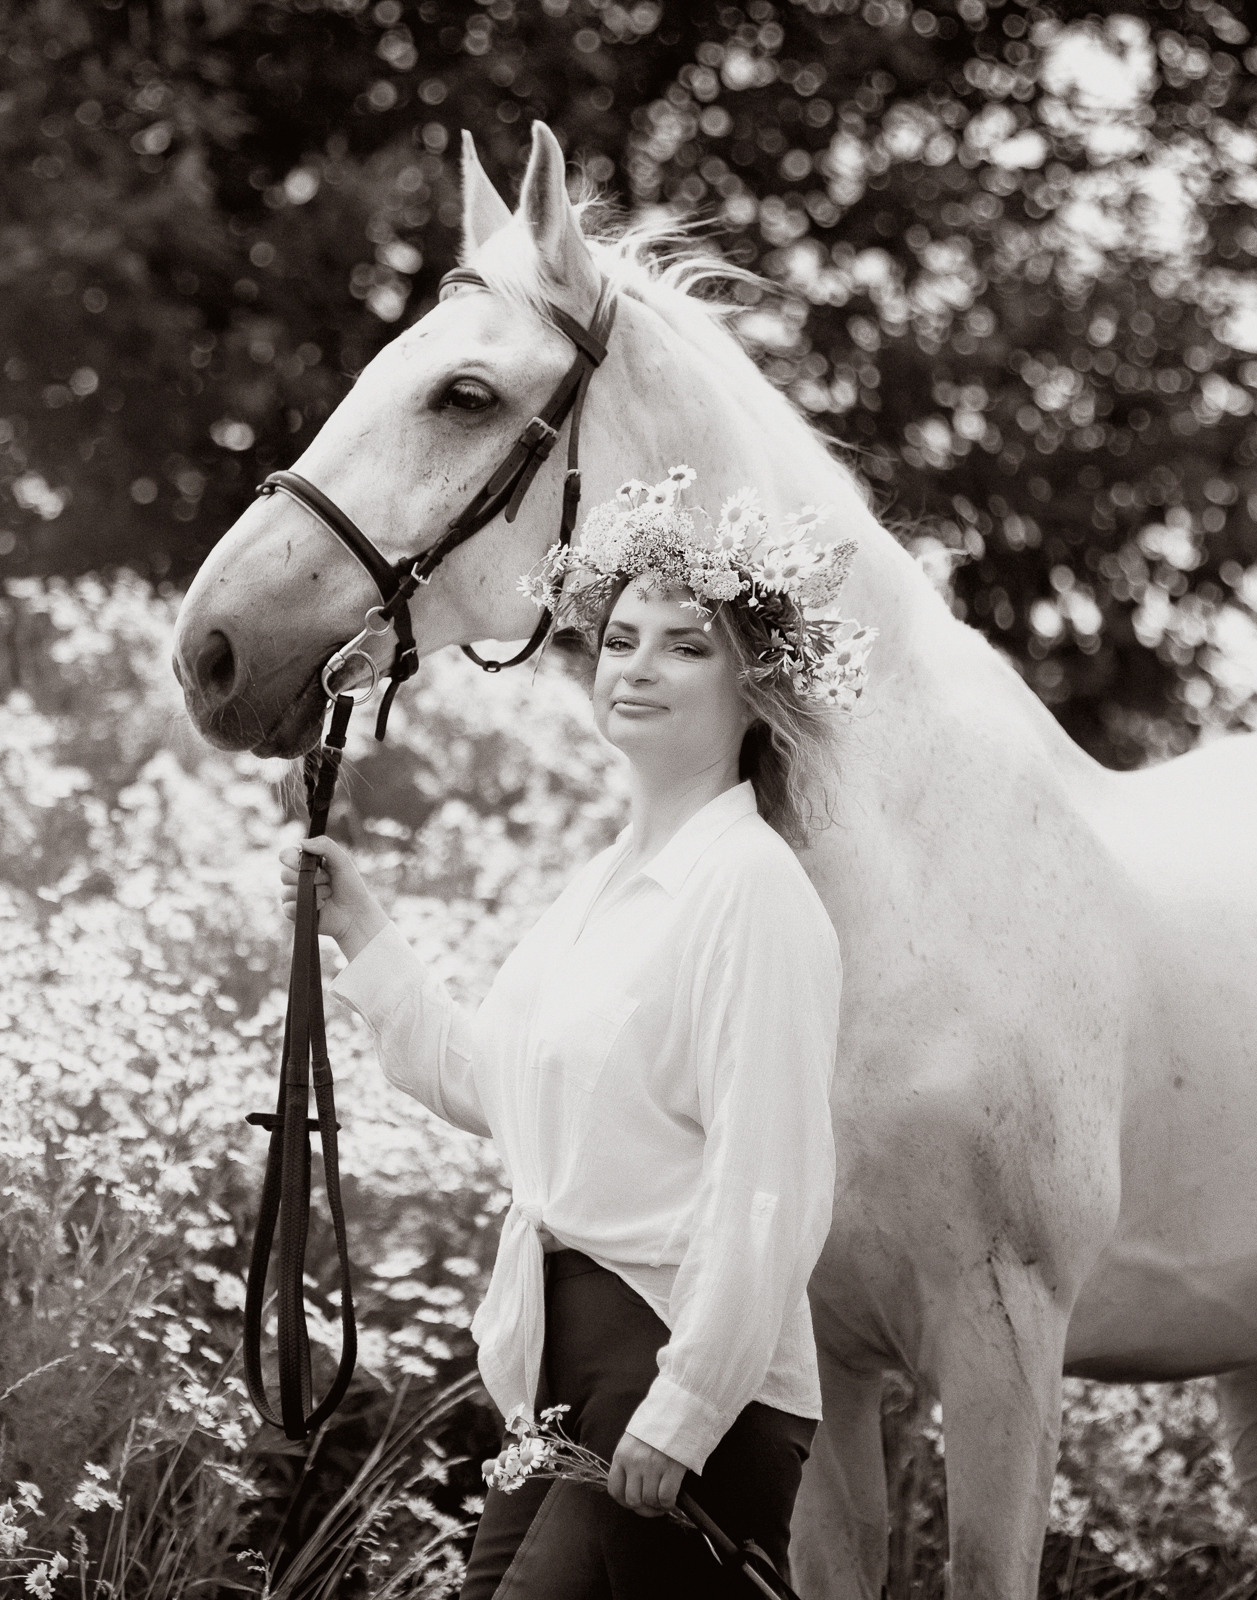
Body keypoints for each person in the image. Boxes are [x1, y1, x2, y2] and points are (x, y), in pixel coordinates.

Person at [279, 466, 875, 1597]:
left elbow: (772, 1184)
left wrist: (688, 1405)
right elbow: (500, 1086)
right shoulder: (598, 886)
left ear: (755, 690)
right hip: (560, 1370)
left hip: (675, 1368)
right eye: (620, 639)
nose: (636, 664)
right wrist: (362, 930)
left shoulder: (750, 888)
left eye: (685, 645)